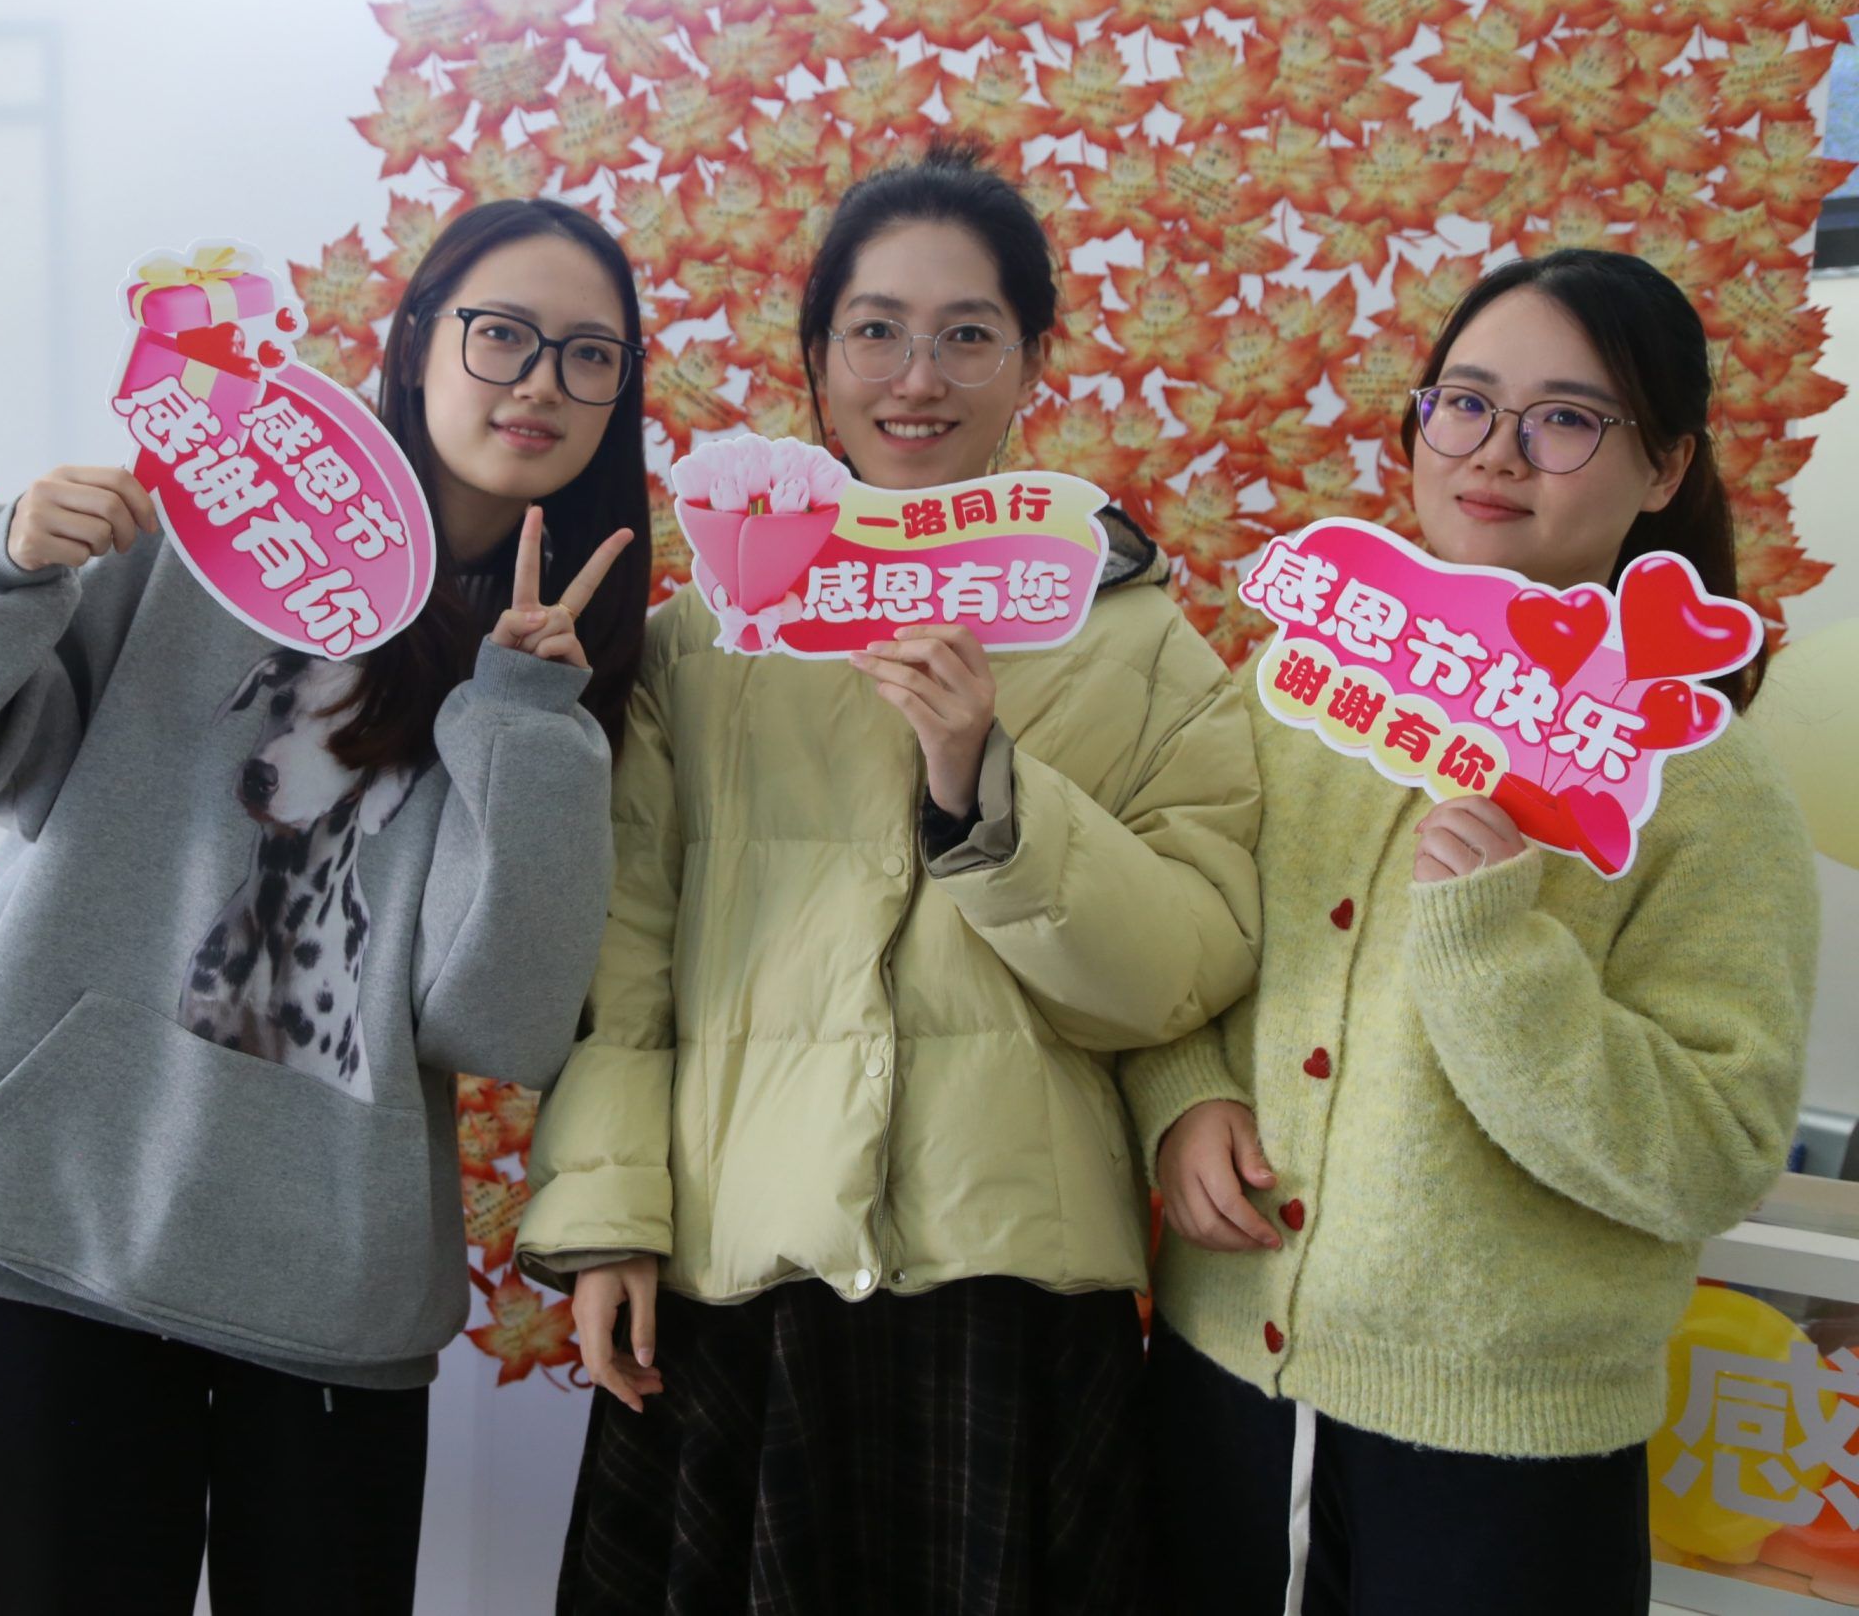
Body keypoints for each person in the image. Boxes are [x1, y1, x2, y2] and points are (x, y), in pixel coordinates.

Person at [0, 198, 652, 1615]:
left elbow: (497, 1019)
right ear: (417, 340)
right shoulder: (220, 522)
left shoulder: (567, 666)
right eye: (502, 334)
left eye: (589, 355)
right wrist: (6, 560)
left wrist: (528, 715)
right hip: (56, 1221)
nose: (540, 380)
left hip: (325, 1294)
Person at [520, 138, 1262, 1615]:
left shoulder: (1136, 640)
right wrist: (608, 1216)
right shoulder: (702, 638)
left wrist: (984, 788)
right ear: (816, 359)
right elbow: (627, 954)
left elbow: (1187, 966)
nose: (918, 378)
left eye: (968, 334)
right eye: (876, 331)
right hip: (739, 1275)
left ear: (1031, 361)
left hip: (1012, 1294)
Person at [1135, 248, 1820, 1614]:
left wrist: (1494, 954)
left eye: (1566, 417)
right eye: (1465, 402)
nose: (1497, 450)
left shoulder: (1702, 786)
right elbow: (1180, 944)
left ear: (1666, 466)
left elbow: (1712, 1153)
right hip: (1220, 1386)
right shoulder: (1300, 685)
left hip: (1502, 1454)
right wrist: (1181, 1096)